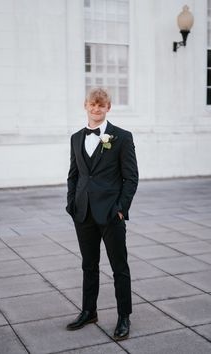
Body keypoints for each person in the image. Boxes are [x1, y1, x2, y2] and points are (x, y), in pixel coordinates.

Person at [66, 87, 139, 341]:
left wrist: (120, 209)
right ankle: (89, 311)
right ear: (85, 105)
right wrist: (71, 204)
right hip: (83, 212)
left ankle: (124, 316)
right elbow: (73, 175)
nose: (96, 109)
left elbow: (131, 177)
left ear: (108, 108)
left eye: (101, 105)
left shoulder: (122, 137)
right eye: (92, 105)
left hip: (111, 214)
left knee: (119, 267)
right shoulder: (76, 138)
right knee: (88, 265)